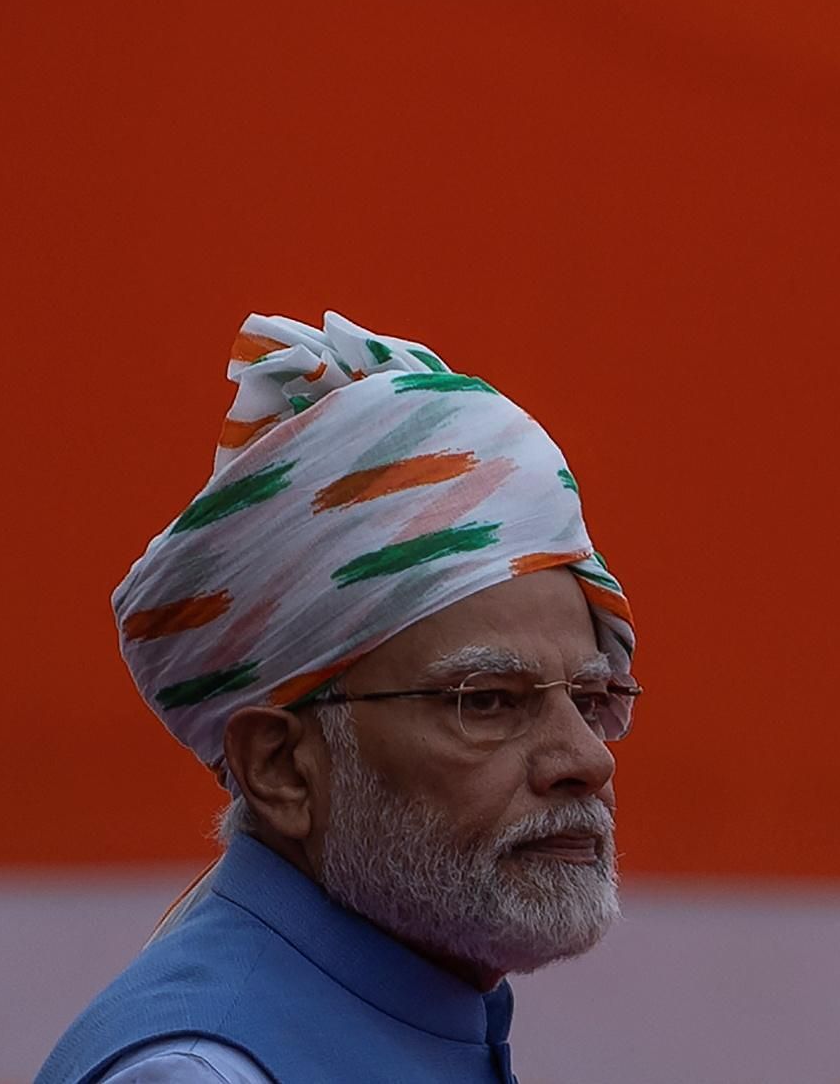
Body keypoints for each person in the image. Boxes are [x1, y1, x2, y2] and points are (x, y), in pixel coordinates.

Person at [35, 311, 640, 1084]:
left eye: (591, 698)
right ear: (283, 768)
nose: (586, 759)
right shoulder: (204, 1075)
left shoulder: (435, 1010)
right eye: (487, 701)